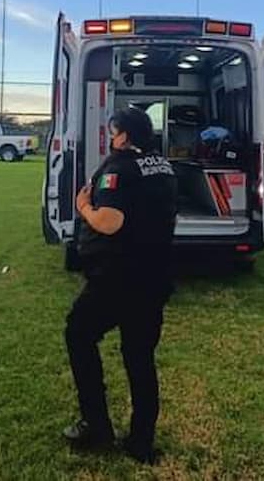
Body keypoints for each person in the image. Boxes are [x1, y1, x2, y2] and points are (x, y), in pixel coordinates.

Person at [63, 106, 178, 465]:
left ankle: (96, 426)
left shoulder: (118, 168)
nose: (111, 138)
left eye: (113, 132)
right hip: (155, 277)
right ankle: (141, 443)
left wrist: (83, 206)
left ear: (124, 135)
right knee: (139, 358)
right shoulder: (163, 166)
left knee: (79, 335)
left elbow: (109, 221)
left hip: (117, 278)